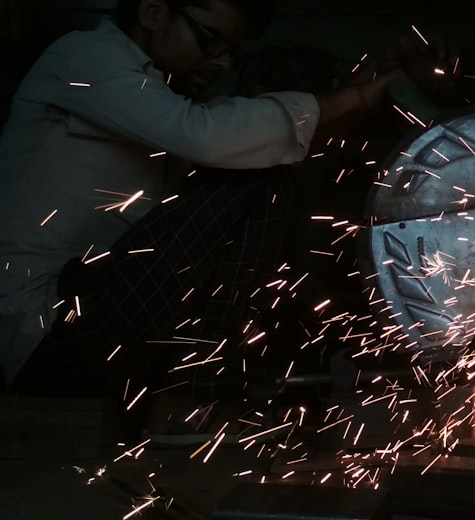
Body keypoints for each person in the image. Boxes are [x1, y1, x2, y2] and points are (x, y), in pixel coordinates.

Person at [0, 0, 444, 398]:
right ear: (153, 11)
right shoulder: (84, 57)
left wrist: (367, 89)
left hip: (90, 326)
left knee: (262, 173)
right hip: (43, 336)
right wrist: (361, 94)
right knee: (255, 185)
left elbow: (266, 144)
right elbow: (210, 137)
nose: (221, 61)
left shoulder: (156, 93)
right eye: (210, 40)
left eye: (231, 50)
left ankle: (198, 388)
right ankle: (194, 395)